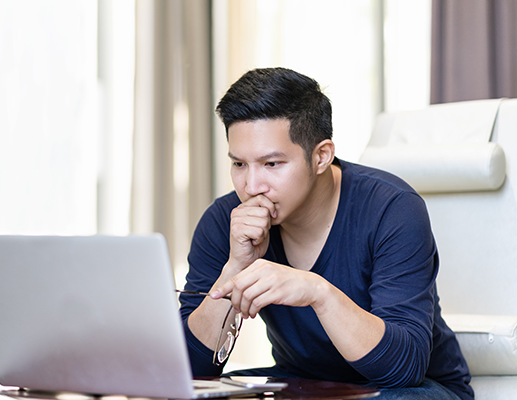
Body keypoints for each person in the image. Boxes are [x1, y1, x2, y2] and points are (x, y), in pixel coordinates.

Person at [178, 67, 474, 400]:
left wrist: (317, 292)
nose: (251, 186)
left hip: (410, 389)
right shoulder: (225, 221)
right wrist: (234, 269)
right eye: (239, 164)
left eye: (272, 164)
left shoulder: (392, 209)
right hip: (304, 383)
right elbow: (187, 371)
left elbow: (403, 369)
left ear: (321, 156)